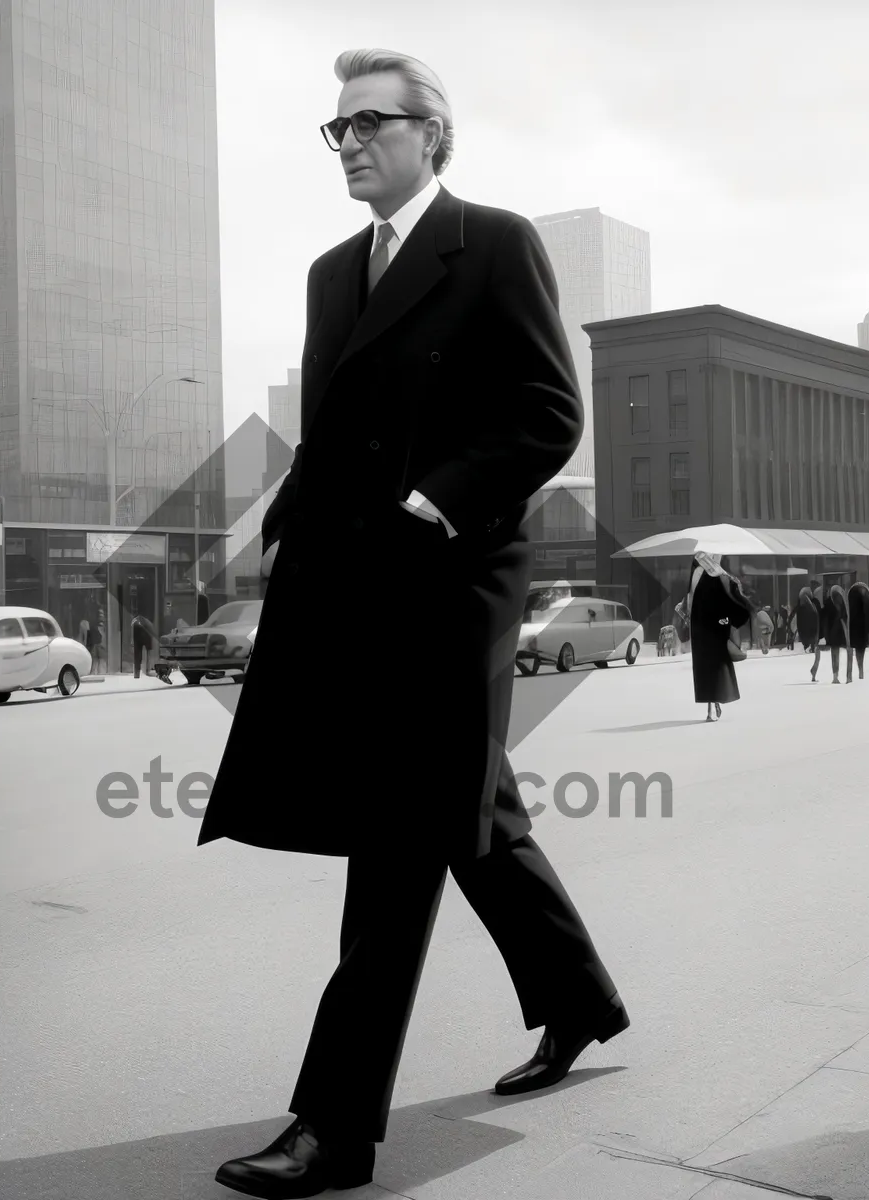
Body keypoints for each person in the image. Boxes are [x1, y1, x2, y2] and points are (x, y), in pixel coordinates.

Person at [201, 49, 626, 1199]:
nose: (347, 144)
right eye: (334, 130)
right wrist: (283, 518)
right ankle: (582, 1001)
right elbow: (332, 426)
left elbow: (548, 413)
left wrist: (430, 501)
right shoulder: (332, 271)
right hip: (349, 579)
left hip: (454, 581)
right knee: (469, 811)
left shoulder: (495, 241)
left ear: (432, 134)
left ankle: (334, 1130)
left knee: (398, 842)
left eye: (369, 124)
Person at [687, 551, 751, 722]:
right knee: (714, 670)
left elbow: (690, 600)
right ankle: (713, 705)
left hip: (699, 628)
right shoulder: (718, 575)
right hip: (714, 628)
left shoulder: (696, 573)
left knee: (705, 671)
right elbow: (729, 602)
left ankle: (711, 706)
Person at [846, 581, 869, 682]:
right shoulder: (866, 596)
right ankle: (860, 671)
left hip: (852, 626)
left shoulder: (852, 595)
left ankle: (854, 672)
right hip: (862, 627)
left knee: (855, 649)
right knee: (860, 649)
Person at [822, 584, 850, 684]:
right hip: (840, 632)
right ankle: (845, 676)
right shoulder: (841, 603)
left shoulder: (829, 604)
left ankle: (836, 676)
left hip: (834, 633)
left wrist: (826, 636)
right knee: (844, 653)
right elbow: (846, 618)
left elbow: (825, 621)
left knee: (835, 654)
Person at [796, 583, 822, 679]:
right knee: (817, 654)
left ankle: (813, 673)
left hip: (810, 635)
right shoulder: (811, 607)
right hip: (812, 635)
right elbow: (815, 621)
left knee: (817, 654)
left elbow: (800, 625)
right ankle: (813, 673)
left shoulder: (802, 608)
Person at [130, 613, 156, 679]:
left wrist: (132, 641)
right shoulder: (149, 622)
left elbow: (132, 629)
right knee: (148, 653)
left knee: (137, 655)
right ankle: (148, 670)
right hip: (147, 635)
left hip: (137, 635)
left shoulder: (135, 621)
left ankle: (136, 673)